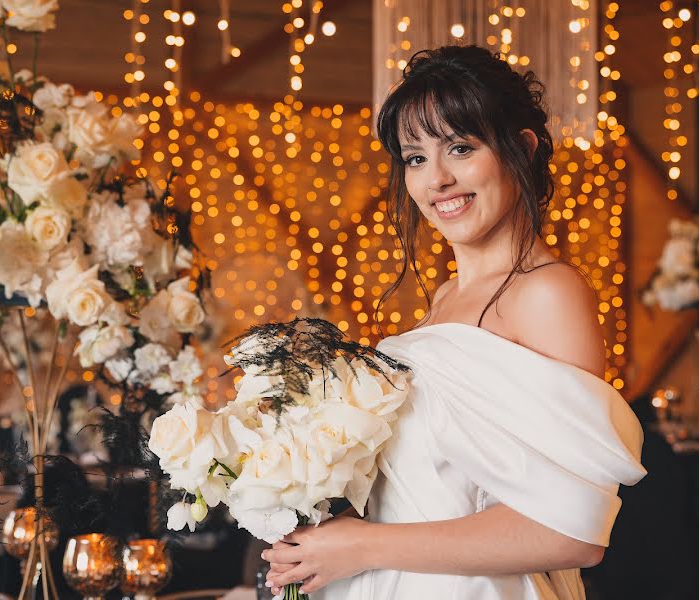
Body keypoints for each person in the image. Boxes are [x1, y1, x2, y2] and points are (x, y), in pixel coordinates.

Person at [264, 45, 647, 599]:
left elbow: (572, 532)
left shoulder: (546, 292)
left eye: (460, 149)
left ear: (521, 148)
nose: (436, 179)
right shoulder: (445, 298)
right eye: (415, 157)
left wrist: (362, 546)